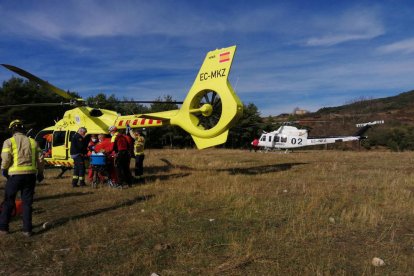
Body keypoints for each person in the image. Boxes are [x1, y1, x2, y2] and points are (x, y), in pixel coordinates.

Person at [0, 120, 44, 236]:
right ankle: (27, 229)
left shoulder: (9, 142)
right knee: (27, 203)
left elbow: (5, 158)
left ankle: (4, 228)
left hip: (14, 176)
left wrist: (4, 169)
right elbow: (40, 159)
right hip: (30, 176)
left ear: (12, 130)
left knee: (9, 201)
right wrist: (40, 172)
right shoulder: (33, 142)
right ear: (23, 129)